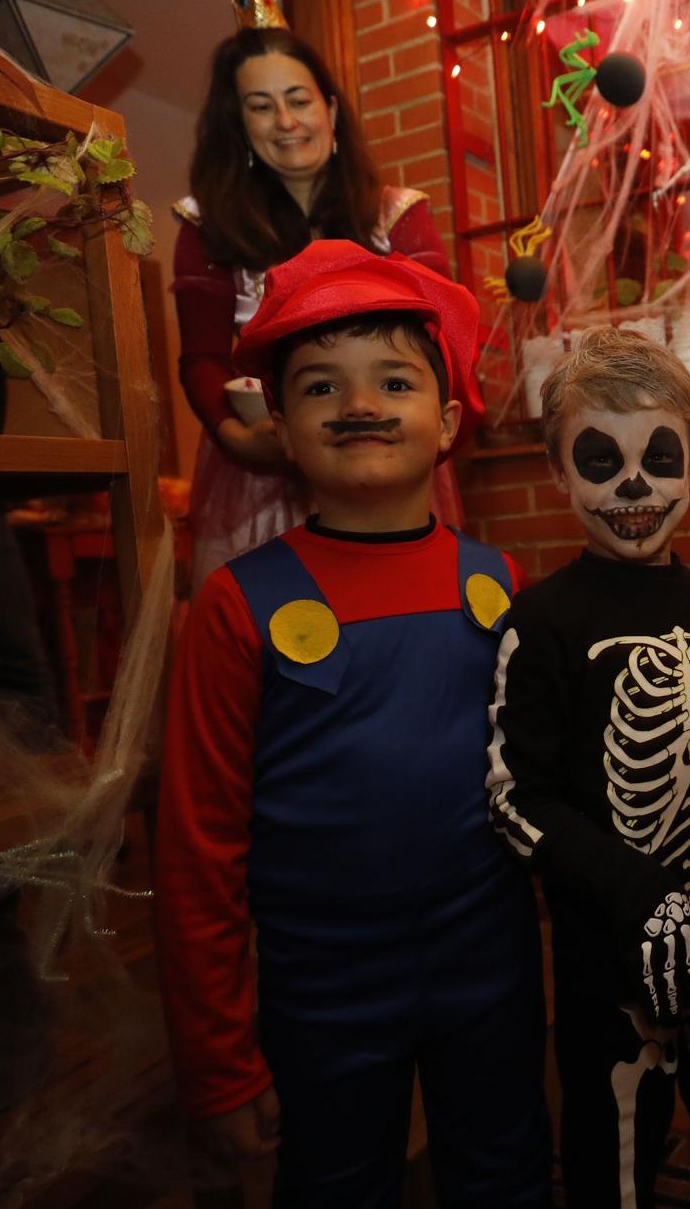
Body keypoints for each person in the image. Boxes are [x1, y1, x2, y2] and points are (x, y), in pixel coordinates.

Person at [153, 240, 551, 1208]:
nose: (359, 404)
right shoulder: (234, 604)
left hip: (488, 965)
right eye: (321, 387)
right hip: (321, 988)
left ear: (447, 420)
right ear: (282, 427)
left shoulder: (496, 584)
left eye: (393, 382)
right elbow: (196, 845)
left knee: (505, 1177)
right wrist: (219, 1059)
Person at [485, 328, 690, 1208]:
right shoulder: (537, 623)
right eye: (599, 459)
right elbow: (516, 797)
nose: (632, 487)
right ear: (559, 473)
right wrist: (640, 895)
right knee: (609, 1173)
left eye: (658, 458)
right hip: (605, 980)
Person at [173, 0, 465, 590]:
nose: (286, 121)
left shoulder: (398, 215)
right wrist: (237, 438)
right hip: (256, 472)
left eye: (299, 99)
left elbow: (443, 344)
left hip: (388, 456)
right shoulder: (206, 225)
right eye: (261, 106)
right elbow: (201, 358)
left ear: (330, 107)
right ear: (239, 124)